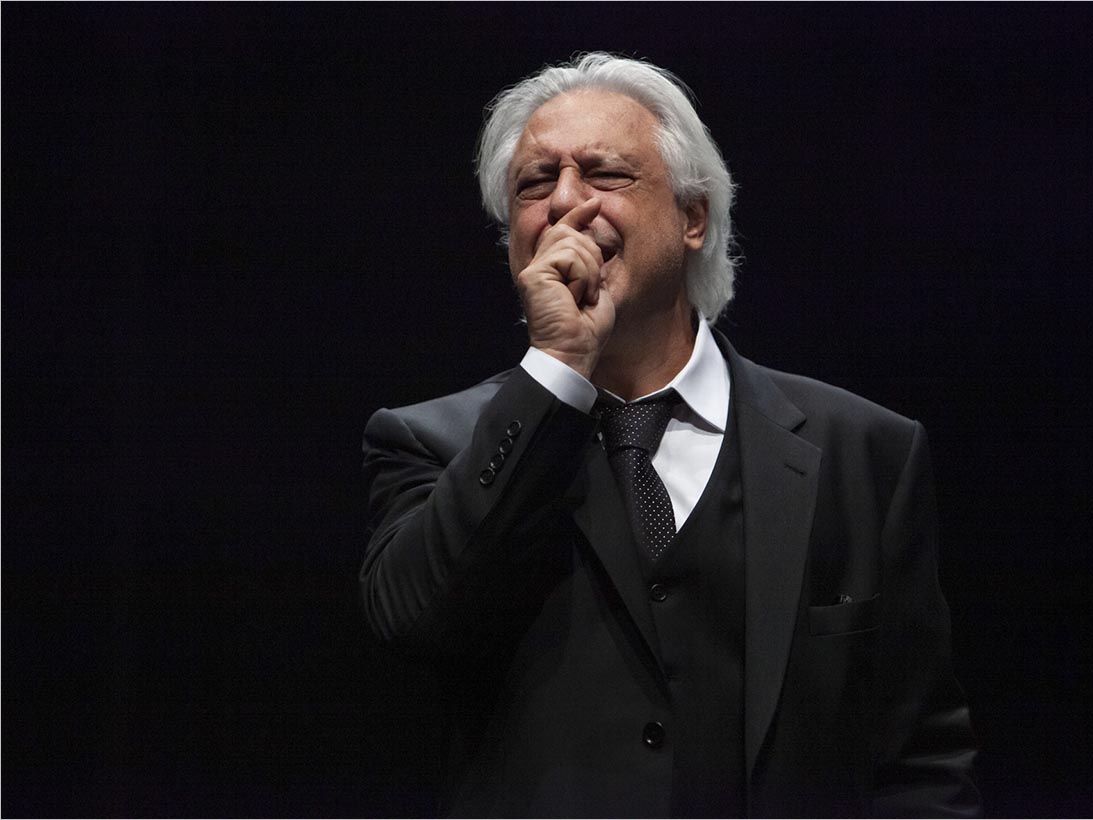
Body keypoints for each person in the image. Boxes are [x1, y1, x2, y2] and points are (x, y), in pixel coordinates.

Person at [361, 52, 979, 818]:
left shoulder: (864, 452)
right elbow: (415, 628)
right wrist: (557, 366)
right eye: (534, 184)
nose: (565, 203)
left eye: (606, 174)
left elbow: (920, 757)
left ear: (694, 218)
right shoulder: (428, 443)